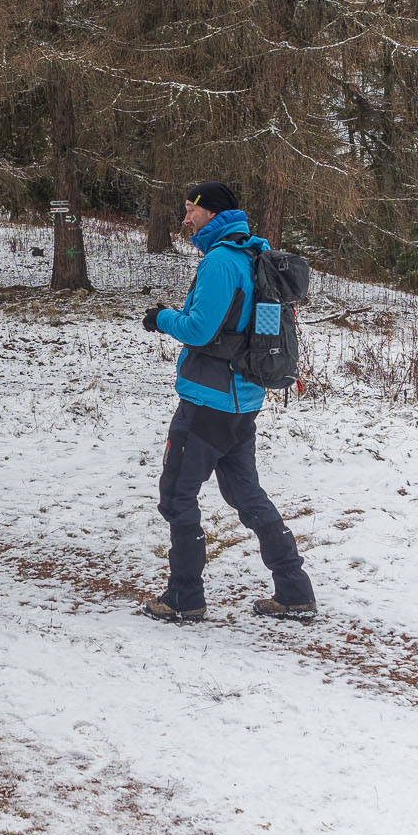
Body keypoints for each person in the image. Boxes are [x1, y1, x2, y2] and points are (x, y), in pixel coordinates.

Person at [141, 183, 316, 624]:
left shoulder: (221, 261)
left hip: (208, 401)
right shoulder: (255, 256)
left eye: (190, 210)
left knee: (177, 494)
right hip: (243, 400)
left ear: (211, 212)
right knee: (245, 492)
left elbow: (199, 329)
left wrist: (160, 317)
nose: (185, 219)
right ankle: (294, 590)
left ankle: (184, 597)